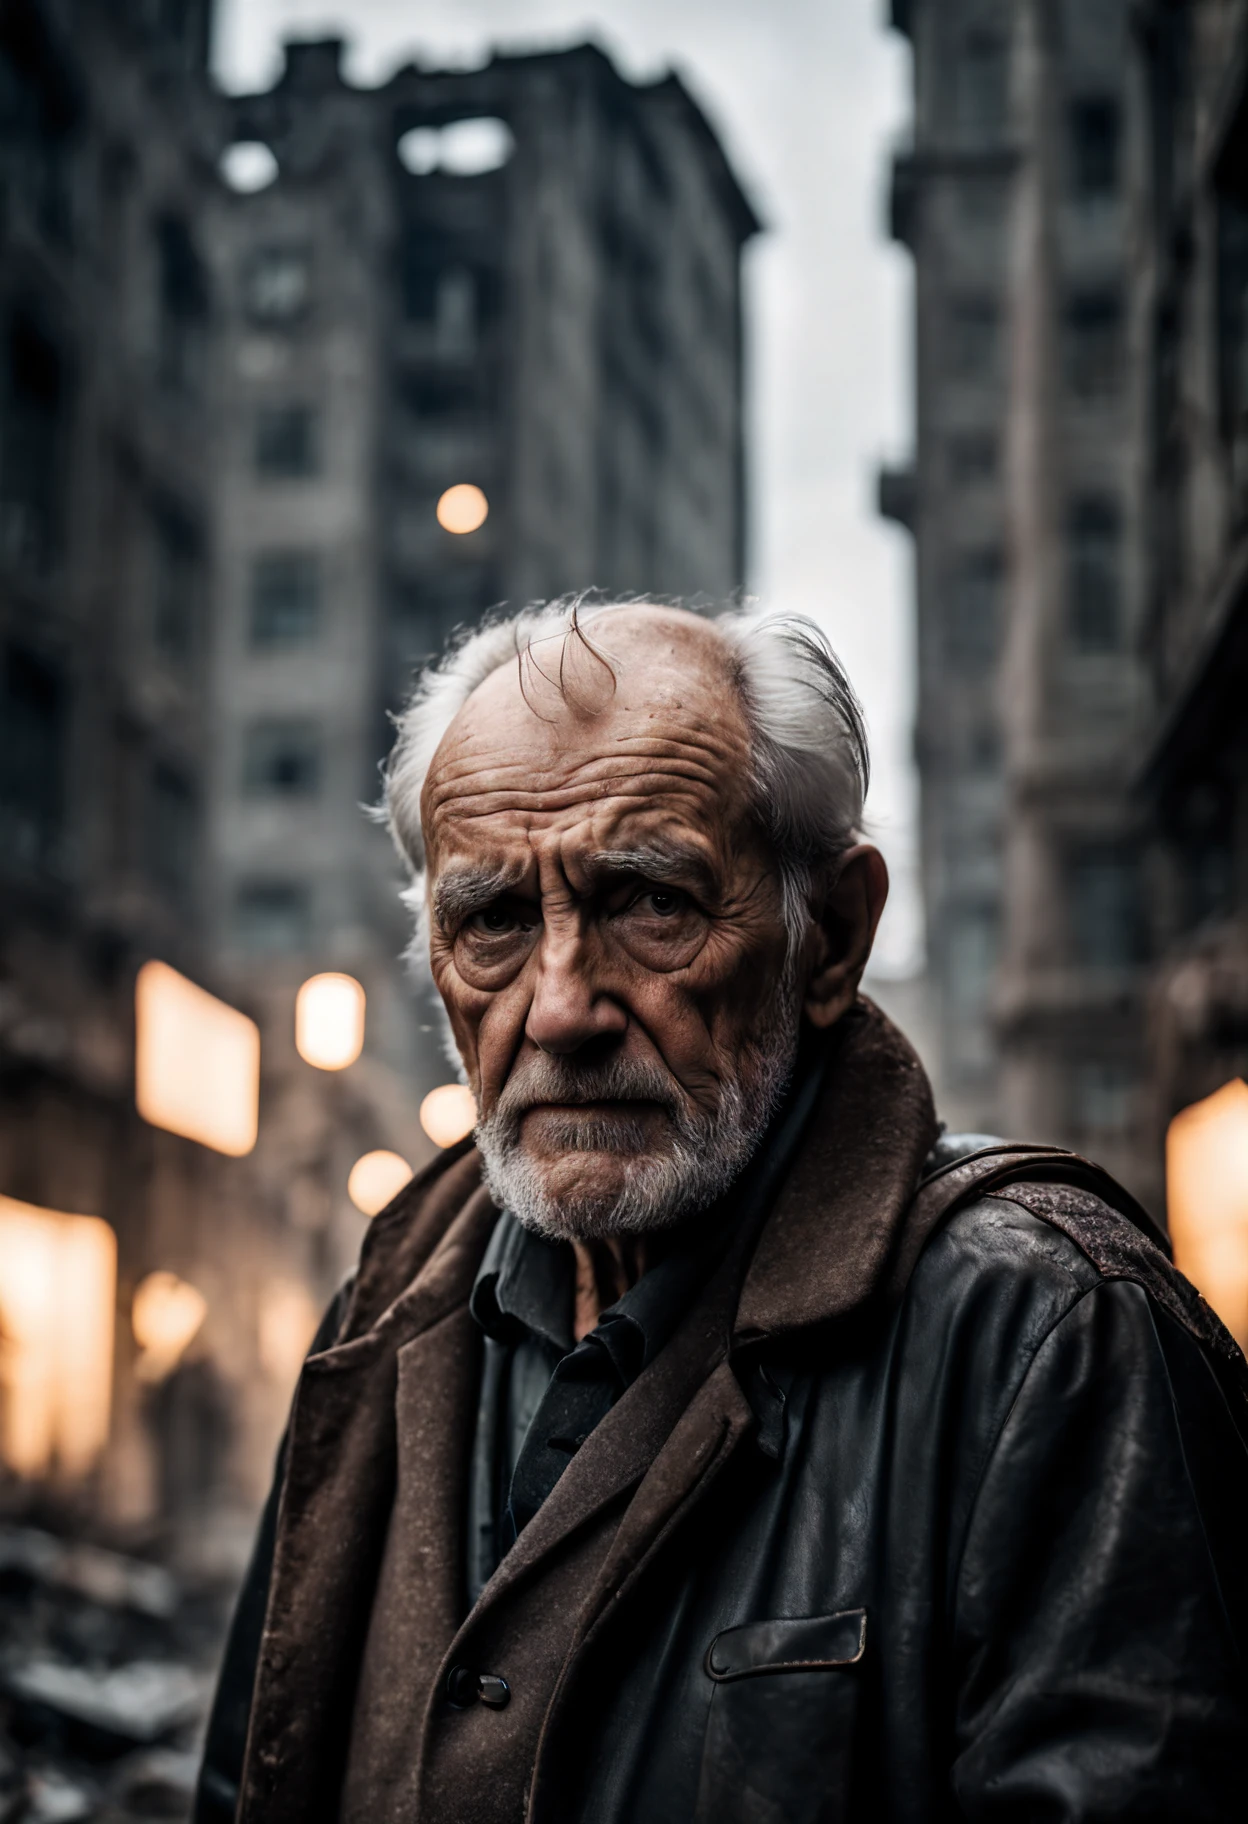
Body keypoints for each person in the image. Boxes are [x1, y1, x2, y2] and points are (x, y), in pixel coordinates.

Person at [196, 602, 1248, 1824]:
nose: (558, 1009)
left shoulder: (1050, 1338)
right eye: (492, 921)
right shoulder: (387, 1322)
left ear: (832, 936)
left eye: (651, 904)